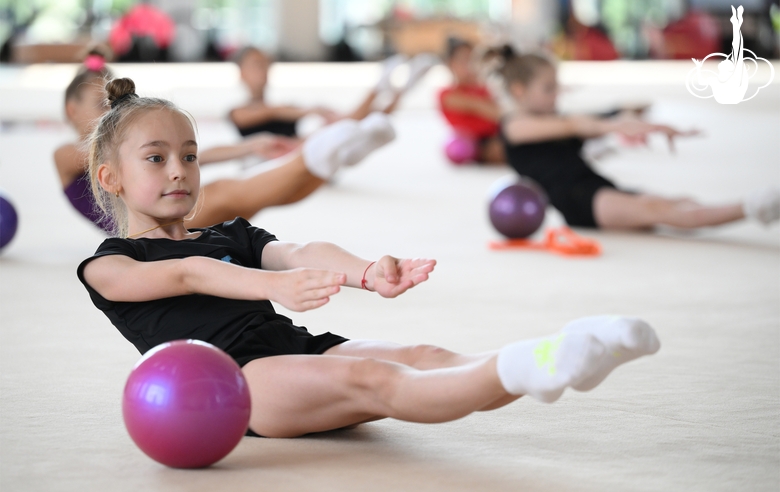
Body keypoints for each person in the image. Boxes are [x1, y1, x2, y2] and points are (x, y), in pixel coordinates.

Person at [77, 77, 660, 438]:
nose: (179, 169)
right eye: (156, 158)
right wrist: (269, 288)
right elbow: (184, 273)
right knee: (372, 377)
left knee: (423, 353)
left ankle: (552, 357)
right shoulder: (107, 266)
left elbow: (298, 251)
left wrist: (365, 273)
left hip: (294, 350)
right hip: (239, 386)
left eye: (190, 154)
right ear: (112, 178)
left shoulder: (226, 234)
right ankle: (532, 368)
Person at [55, 52, 394, 234]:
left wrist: (249, 147)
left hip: (164, 213)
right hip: (147, 228)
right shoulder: (66, 155)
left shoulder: (130, 147)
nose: (110, 114)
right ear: (72, 110)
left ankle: (327, 160)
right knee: (228, 192)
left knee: (251, 201)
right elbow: (120, 154)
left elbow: (185, 154)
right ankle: (318, 155)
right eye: (102, 106)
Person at [496, 47, 780, 229]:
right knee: (659, 211)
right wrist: (616, 125)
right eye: (549, 88)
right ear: (519, 91)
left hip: (598, 187)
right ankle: (752, 206)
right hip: (579, 202)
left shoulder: (552, 119)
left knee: (675, 202)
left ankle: (755, 206)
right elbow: (575, 125)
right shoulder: (514, 126)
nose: (557, 94)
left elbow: (588, 122)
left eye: (557, 86)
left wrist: (634, 121)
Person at [230, 47, 437, 139]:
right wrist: (311, 111)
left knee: (365, 119)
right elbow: (268, 112)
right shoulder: (237, 112)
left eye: (266, 64)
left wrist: (319, 112)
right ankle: (380, 86)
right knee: (350, 122)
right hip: (289, 157)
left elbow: (279, 110)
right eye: (257, 65)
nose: (264, 70)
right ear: (241, 72)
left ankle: (402, 89)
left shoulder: (288, 106)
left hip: (304, 147)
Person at [439, 38, 505, 164]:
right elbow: (496, 113)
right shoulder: (447, 94)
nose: (470, 65)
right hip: (470, 141)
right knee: (456, 148)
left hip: (495, 136)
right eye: (464, 60)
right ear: (451, 64)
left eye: (474, 60)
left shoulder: (488, 89)